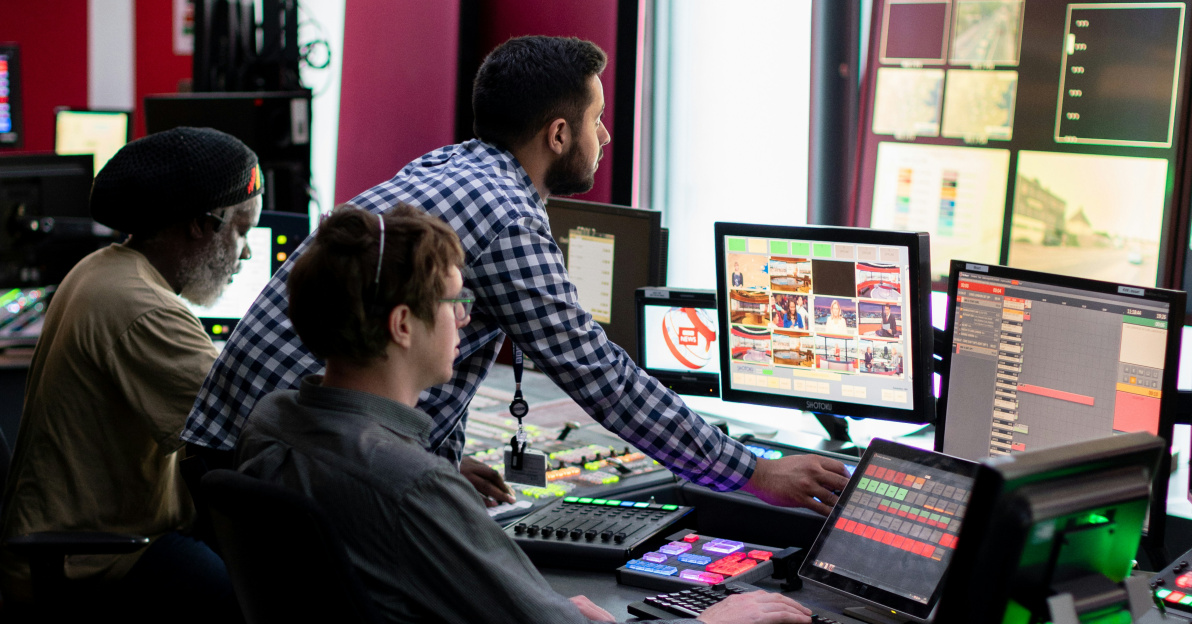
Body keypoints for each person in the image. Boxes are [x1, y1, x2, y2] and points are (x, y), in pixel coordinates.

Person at [183, 35, 849, 514]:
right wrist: (755, 471)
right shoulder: (505, 215)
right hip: (295, 474)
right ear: (558, 135)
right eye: (596, 120)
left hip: (241, 458)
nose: (607, 136)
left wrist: (437, 465)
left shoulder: (449, 165)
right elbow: (600, 375)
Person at [236, 204, 814, 624]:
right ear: (403, 324)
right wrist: (717, 621)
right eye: (455, 302)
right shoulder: (415, 486)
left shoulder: (272, 420)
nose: (466, 319)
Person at [0, 127, 255, 620]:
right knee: (257, 600)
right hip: (95, 558)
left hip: (85, 539)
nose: (245, 252)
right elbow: (245, 423)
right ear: (200, 225)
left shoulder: (105, 267)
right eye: (240, 230)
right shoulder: (142, 308)